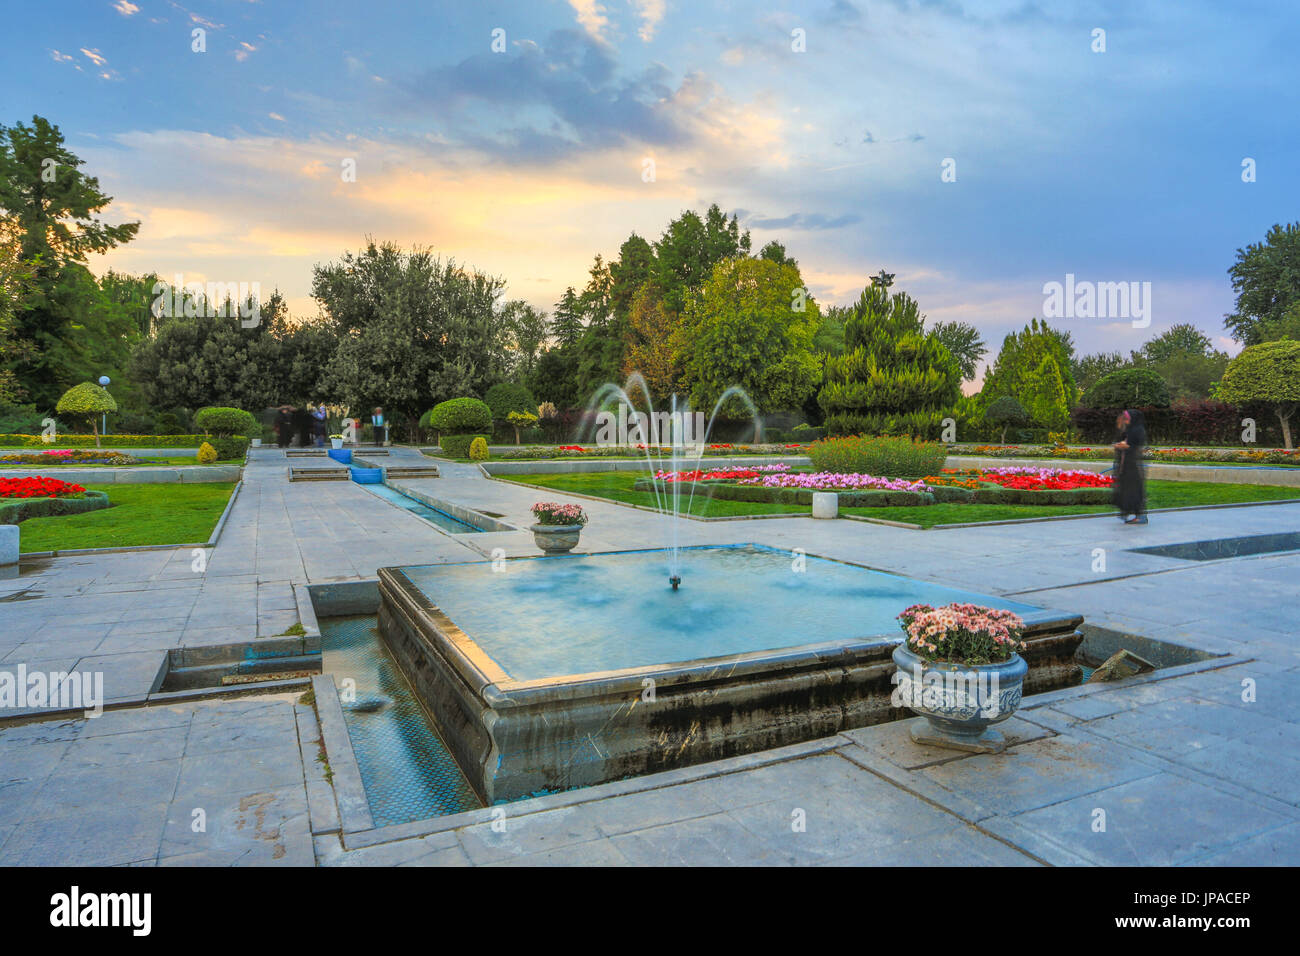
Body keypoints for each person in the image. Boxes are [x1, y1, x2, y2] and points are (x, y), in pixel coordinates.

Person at [1113, 408, 1148, 524]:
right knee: (1126, 489)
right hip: (1127, 465)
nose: (1126, 420)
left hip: (1133, 466)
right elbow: (1123, 438)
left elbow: (1134, 446)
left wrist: (1124, 446)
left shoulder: (1138, 430)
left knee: (1134, 489)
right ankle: (1128, 511)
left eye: (1127, 418)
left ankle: (1140, 515)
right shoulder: (1131, 429)